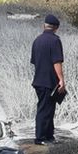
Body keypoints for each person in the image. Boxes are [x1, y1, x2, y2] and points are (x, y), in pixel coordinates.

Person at [30, 14, 65, 145]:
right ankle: (40, 138)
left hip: (38, 80)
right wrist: (61, 79)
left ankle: (49, 135)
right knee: (44, 110)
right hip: (49, 81)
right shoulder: (55, 41)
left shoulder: (37, 40)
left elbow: (34, 61)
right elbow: (57, 62)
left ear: (44, 26)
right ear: (56, 28)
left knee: (48, 109)